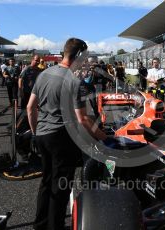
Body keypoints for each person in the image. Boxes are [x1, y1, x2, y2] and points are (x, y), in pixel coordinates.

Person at [27, 38, 107, 230]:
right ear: (78, 55)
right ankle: (55, 226)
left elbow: (31, 107)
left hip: (42, 135)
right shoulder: (74, 81)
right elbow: (83, 119)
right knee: (61, 186)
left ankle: (40, 224)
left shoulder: (45, 73)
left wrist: (35, 132)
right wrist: (106, 138)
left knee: (46, 181)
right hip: (62, 137)